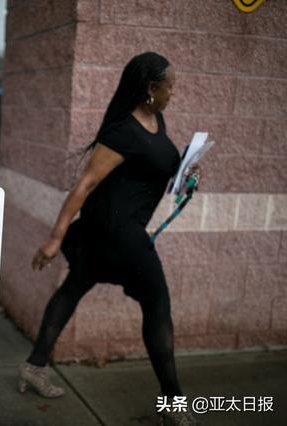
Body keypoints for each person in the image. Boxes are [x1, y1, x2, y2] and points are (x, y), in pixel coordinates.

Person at [18, 52, 197, 426]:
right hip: (118, 234)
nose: (173, 93)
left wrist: (184, 170)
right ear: (151, 89)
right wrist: (55, 237)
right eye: (170, 86)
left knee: (74, 286)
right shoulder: (122, 133)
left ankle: (34, 367)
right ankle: (175, 408)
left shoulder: (155, 121)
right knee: (158, 306)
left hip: (111, 232)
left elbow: (151, 167)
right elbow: (86, 183)